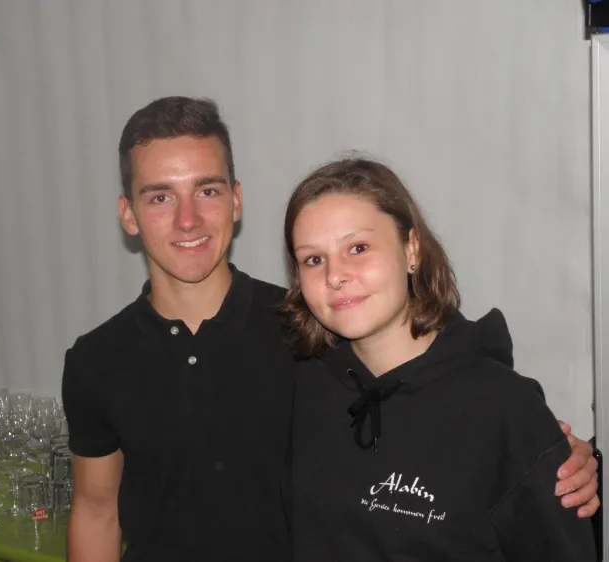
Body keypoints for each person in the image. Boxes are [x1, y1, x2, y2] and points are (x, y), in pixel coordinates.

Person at [61, 97, 599, 562]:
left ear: (236, 200)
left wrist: (554, 454)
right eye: (160, 197)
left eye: (207, 191)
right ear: (128, 214)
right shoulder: (95, 361)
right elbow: (95, 510)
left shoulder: (307, 335)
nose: (187, 220)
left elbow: (441, 387)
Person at [283, 157, 597, 561]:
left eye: (357, 248)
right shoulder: (299, 385)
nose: (334, 276)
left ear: (411, 248)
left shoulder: (504, 409)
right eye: (313, 259)